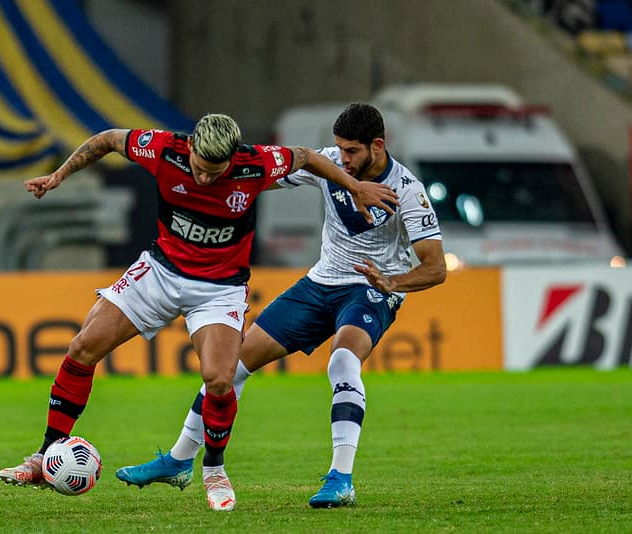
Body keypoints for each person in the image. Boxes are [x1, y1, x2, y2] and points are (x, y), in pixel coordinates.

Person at [0, 113, 398, 512]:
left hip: (218, 290)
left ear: (232, 158)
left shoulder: (254, 163)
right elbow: (106, 139)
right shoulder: (163, 150)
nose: (206, 179)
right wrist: (58, 177)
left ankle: (213, 469)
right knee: (83, 346)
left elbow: (307, 156)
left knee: (220, 380)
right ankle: (43, 455)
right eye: (201, 170)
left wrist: (354, 186)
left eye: (216, 172)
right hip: (159, 272)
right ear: (189, 148)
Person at [115, 103, 447, 508]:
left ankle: (342, 478)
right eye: (340, 149)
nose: (343, 158)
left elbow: (436, 268)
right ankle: (179, 459)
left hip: (369, 289)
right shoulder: (329, 166)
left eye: (353, 152)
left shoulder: (407, 191)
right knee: (233, 366)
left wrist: (392, 281)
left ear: (378, 146)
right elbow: (258, 172)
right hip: (320, 282)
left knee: (342, 362)